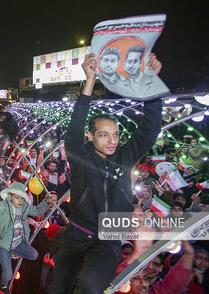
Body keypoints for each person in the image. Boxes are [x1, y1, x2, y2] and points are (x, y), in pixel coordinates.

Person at [48, 53, 163, 294]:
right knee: (58, 288)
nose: (112, 141)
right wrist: (89, 80)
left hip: (109, 238)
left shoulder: (125, 155)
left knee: (90, 287)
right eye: (104, 135)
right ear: (91, 136)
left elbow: (150, 128)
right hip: (78, 234)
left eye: (116, 135)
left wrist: (151, 81)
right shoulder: (80, 155)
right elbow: (76, 125)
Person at [0, 182, 51, 291]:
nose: (20, 201)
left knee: (34, 255)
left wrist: (46, 202)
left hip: (18, 244)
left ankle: (14, 252)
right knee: (8, 275)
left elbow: (37, 211)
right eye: (17, 198)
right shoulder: (5, 206)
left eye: (22, 198)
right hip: (4, 245)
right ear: (10, 196)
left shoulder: (25, 207)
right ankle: (2, 284)